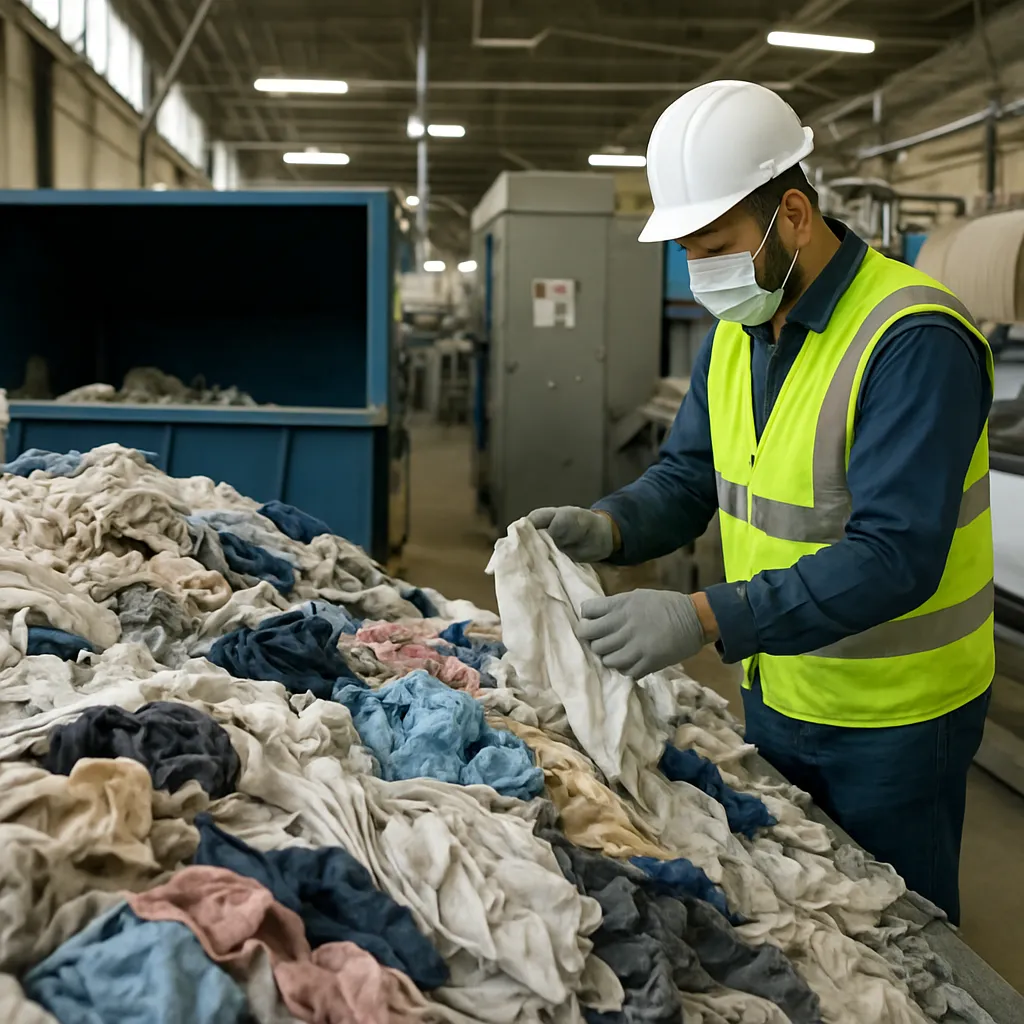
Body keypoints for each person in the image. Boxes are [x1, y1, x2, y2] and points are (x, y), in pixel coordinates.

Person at [528, 80, 994, 924]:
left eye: (716, 247)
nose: (700, 272)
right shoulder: (736, 337)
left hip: (895, 718)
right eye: (688, 251)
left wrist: (702, 616)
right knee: (805, 915)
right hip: (778, 685)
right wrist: (610, 524)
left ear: (794, 215)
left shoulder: (911, 338)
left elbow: (897, 555)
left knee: (904, 939)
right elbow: (688, 478)